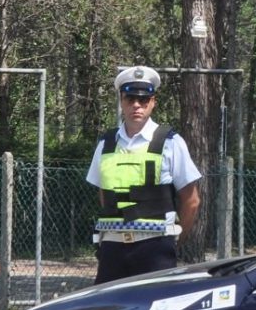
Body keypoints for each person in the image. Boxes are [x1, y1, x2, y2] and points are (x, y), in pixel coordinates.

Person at [85, 65, 202, 284]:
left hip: (156, 248)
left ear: (153, 103)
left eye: (144, 100)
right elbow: (103, 193)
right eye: (130, 99)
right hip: (112, 247)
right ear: (121, 100)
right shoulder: (105, 144)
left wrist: (173, 241)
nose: (137, 105)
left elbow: (192, 200)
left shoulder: (170, 142)